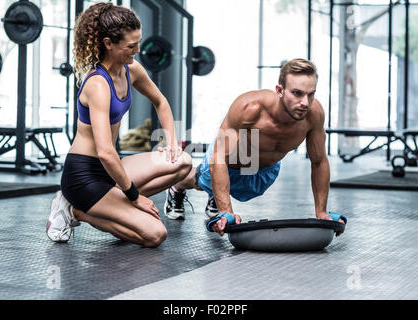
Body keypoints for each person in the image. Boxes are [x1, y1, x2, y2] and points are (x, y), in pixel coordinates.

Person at [46, 3, 192, 246]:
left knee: (183, 162)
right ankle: (75, 210)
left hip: (109, 169)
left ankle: (114, 203)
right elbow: (104, 151)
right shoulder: (97, 85)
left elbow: (161, 102)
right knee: (156, 234)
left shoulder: (131, 69)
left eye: (138, 43)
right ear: (108, 43)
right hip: (84, 177)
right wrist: (135, 198)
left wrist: (173, 144)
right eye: (131, 46)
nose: (137, 51)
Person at [164, 58, 346, 236]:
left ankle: (218, 193)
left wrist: (322, 213)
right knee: (199, 180)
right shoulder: (249, 108)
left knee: (240, 189)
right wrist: (225, 212)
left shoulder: (314, 115)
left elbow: (319, 161)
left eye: (310, 94)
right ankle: (178, 186)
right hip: (231, 163)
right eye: (297, 93)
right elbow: (218, 158)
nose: (305, 103)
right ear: (280, 90)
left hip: (266, 171)